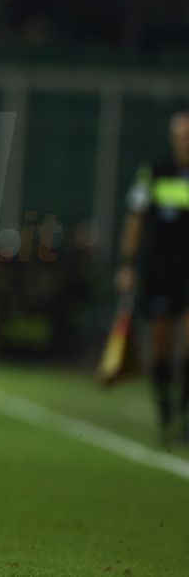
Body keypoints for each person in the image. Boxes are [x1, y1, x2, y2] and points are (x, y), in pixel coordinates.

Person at [116, 111, 189, 444]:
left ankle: (185, 416)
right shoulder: (156, 171)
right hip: (161, 270)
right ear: (173, 138)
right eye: (182, 135)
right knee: (161, 348)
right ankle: (165, 413)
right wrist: (127, 264)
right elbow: (135, 219)